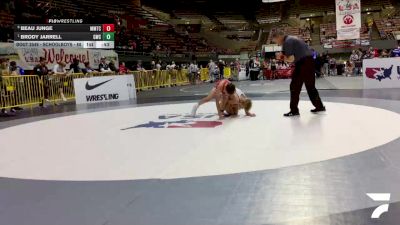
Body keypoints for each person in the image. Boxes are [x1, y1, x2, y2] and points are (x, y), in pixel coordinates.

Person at [272, 31, 325, 117]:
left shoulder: (287, 42)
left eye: (276, 40)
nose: (276, 43)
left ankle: (294, 110)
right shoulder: (292, 38)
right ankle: (319, 106)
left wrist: (281, 57)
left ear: (279, 37)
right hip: (310, 61)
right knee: (310, 86)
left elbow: (291, 59)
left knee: (294, 86)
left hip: (303, 62)